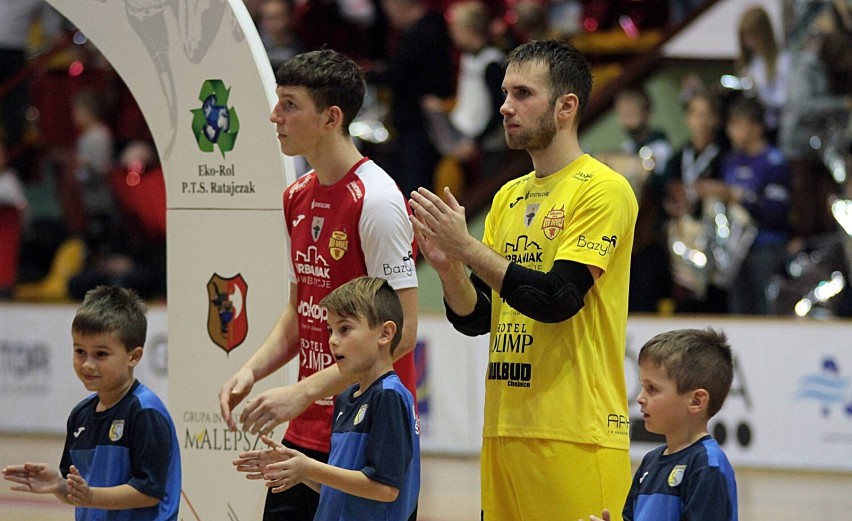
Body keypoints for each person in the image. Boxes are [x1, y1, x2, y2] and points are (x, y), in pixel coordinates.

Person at [409, 39, 638, 521]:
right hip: (503, 428)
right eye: (504, 92)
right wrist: (450, 267)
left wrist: (467, 246)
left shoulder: (604, 190)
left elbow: (557, 298)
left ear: (566, 107)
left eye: (522, 94)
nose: (505, 106)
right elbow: (480, 318)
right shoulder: (508, 197)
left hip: (577, 433)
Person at [218, 49, 419, 521]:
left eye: (289, 104)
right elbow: (300, 309)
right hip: (303, 430)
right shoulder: (296, 195)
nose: (275, 116)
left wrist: (306, 390)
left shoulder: (377, 201)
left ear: (331, 117)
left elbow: (404, 331)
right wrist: (253, 371)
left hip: (365, 430)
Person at [233, 276, 420, 520]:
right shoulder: (344, 399)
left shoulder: (388, 397)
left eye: (345, 329)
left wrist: (311, 467)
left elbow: (385, 489)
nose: (332, 340)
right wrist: (299, 471)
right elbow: (344, 490)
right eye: (330, 330)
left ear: (385, 333)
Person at [2, 285, 181, 520]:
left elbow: (148, 491)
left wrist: (91, 496)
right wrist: (58, 485)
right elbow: (82, 494)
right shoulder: (80, 415)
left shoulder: (145, 411)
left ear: (134, 356)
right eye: (80, 351)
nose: (87, 364)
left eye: (101, 354)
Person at [580, 328, 738, 521]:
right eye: (642, 387)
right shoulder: (650, 461)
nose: (639, 398)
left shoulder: (707, 466)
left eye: (652, 389)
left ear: (697, 401)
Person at [696, 94, 792, 315]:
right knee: (740, 312)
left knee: (766, 310)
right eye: (731, 125)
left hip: (766, 247)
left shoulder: (773, 162)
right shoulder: (730, 161)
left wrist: (737, 196)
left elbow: (777, 211)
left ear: (757, 127)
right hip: (735, 252)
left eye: (739, 125)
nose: (733, 131)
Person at [367, 0, 455, 196]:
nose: (389, 17)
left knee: (416, 190)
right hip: (420, 125)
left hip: (420, 126)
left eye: (389, 10)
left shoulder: (421, 34)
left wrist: (367, 73)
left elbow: (395, 73)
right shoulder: (432, 29)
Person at [421, 0, 506, 188]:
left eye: (455, 28)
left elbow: (499, 110)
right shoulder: (468, 56)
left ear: (468, 29)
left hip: (486, 146)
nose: (452, 33)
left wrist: (476, 143)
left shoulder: (492, 63)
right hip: (465, 138)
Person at [663, 89, 729, 314]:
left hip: (716, 242)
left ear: (717, 119)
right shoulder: (679, 156)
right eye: (695, 113)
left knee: (713, 303)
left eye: (706, 114)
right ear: (687, 118)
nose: (701, 120)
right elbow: (668, 190)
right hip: (683, 241)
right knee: (684, 300)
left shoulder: (726, 155)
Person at [613, 86, 673, 313]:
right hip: (631, 236)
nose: (626, 116)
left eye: (632, 111)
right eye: (622, 112)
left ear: (646, 112)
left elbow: (659, 188)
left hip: (651, 236)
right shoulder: (626, 149)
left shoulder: (659, 148)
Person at [736, 5, 791, 144]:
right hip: (758, 128)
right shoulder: (750, 65)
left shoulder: (783, 61)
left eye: (752, 36)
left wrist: (758, 92)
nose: (749, 43)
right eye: (745, 37)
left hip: (781, 127)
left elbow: (785, 99)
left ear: (764, 33)